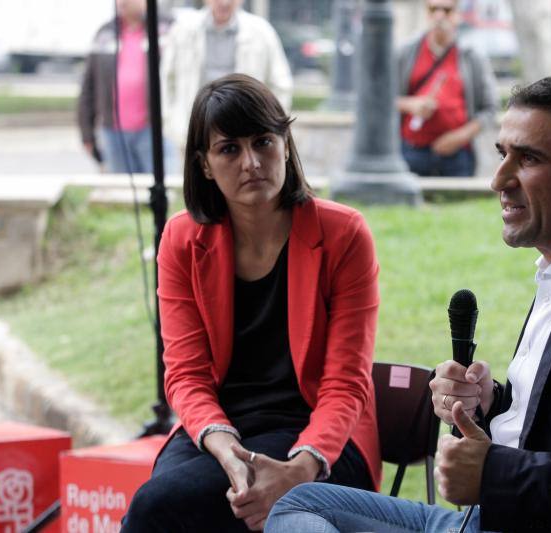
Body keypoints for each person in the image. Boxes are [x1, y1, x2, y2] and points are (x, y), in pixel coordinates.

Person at [266, 74, 551, 532]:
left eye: (529, 159)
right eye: (503, 154)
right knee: (301, 504)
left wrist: (495, 474)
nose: (498, 179)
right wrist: (491, 404)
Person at [122, 74, 380, 532]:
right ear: (204, 165)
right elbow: (185, 373)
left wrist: (300, 470)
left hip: (321, 434)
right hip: (221, 426)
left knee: (166, 508)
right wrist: (224, 447)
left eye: (263, 142)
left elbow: (346, 382)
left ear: (286, 145)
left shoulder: (344, 234)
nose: (251, 162)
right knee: (157, 505)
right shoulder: (182, 239)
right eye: (229, 149)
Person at [161, 0, 293, 149]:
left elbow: (280, 84)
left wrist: (272, 127)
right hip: (192, 132)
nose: (224, 2)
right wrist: (170, 124)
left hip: (247, 130)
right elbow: (167, 79)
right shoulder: (183, 30)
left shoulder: (261, 32)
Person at [396, 0, 497, 177]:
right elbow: (382, 100)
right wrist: (411, 105)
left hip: (458, 155)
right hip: (412, 151)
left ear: (457, 14)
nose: (439, 15)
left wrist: (460, 136)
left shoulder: (472, 56)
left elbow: (490, 109)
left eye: (446, 10)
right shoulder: (406, 52)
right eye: (433, 9)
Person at [77, 0, 173, 173]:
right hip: (114, 133)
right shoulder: (105, 32)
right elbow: (88, 86)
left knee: (164, 184)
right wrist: (87, 133)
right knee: (122, 188)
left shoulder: (168, 29)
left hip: (157, 130)